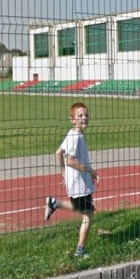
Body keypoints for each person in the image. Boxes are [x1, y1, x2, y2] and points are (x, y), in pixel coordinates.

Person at [45, 102, 100, 258]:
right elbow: (69, 160)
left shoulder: (72, 134)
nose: (84, 118)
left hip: (76, 182)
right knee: (88, 215)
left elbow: (58, 152)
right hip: (79, 184)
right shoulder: (76, 137)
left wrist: (63, 173)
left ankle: (54, 203)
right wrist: (91, 170)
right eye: (80, 116)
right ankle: (80, 251)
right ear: (72, 119)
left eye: (86, 115)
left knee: (82, 209)